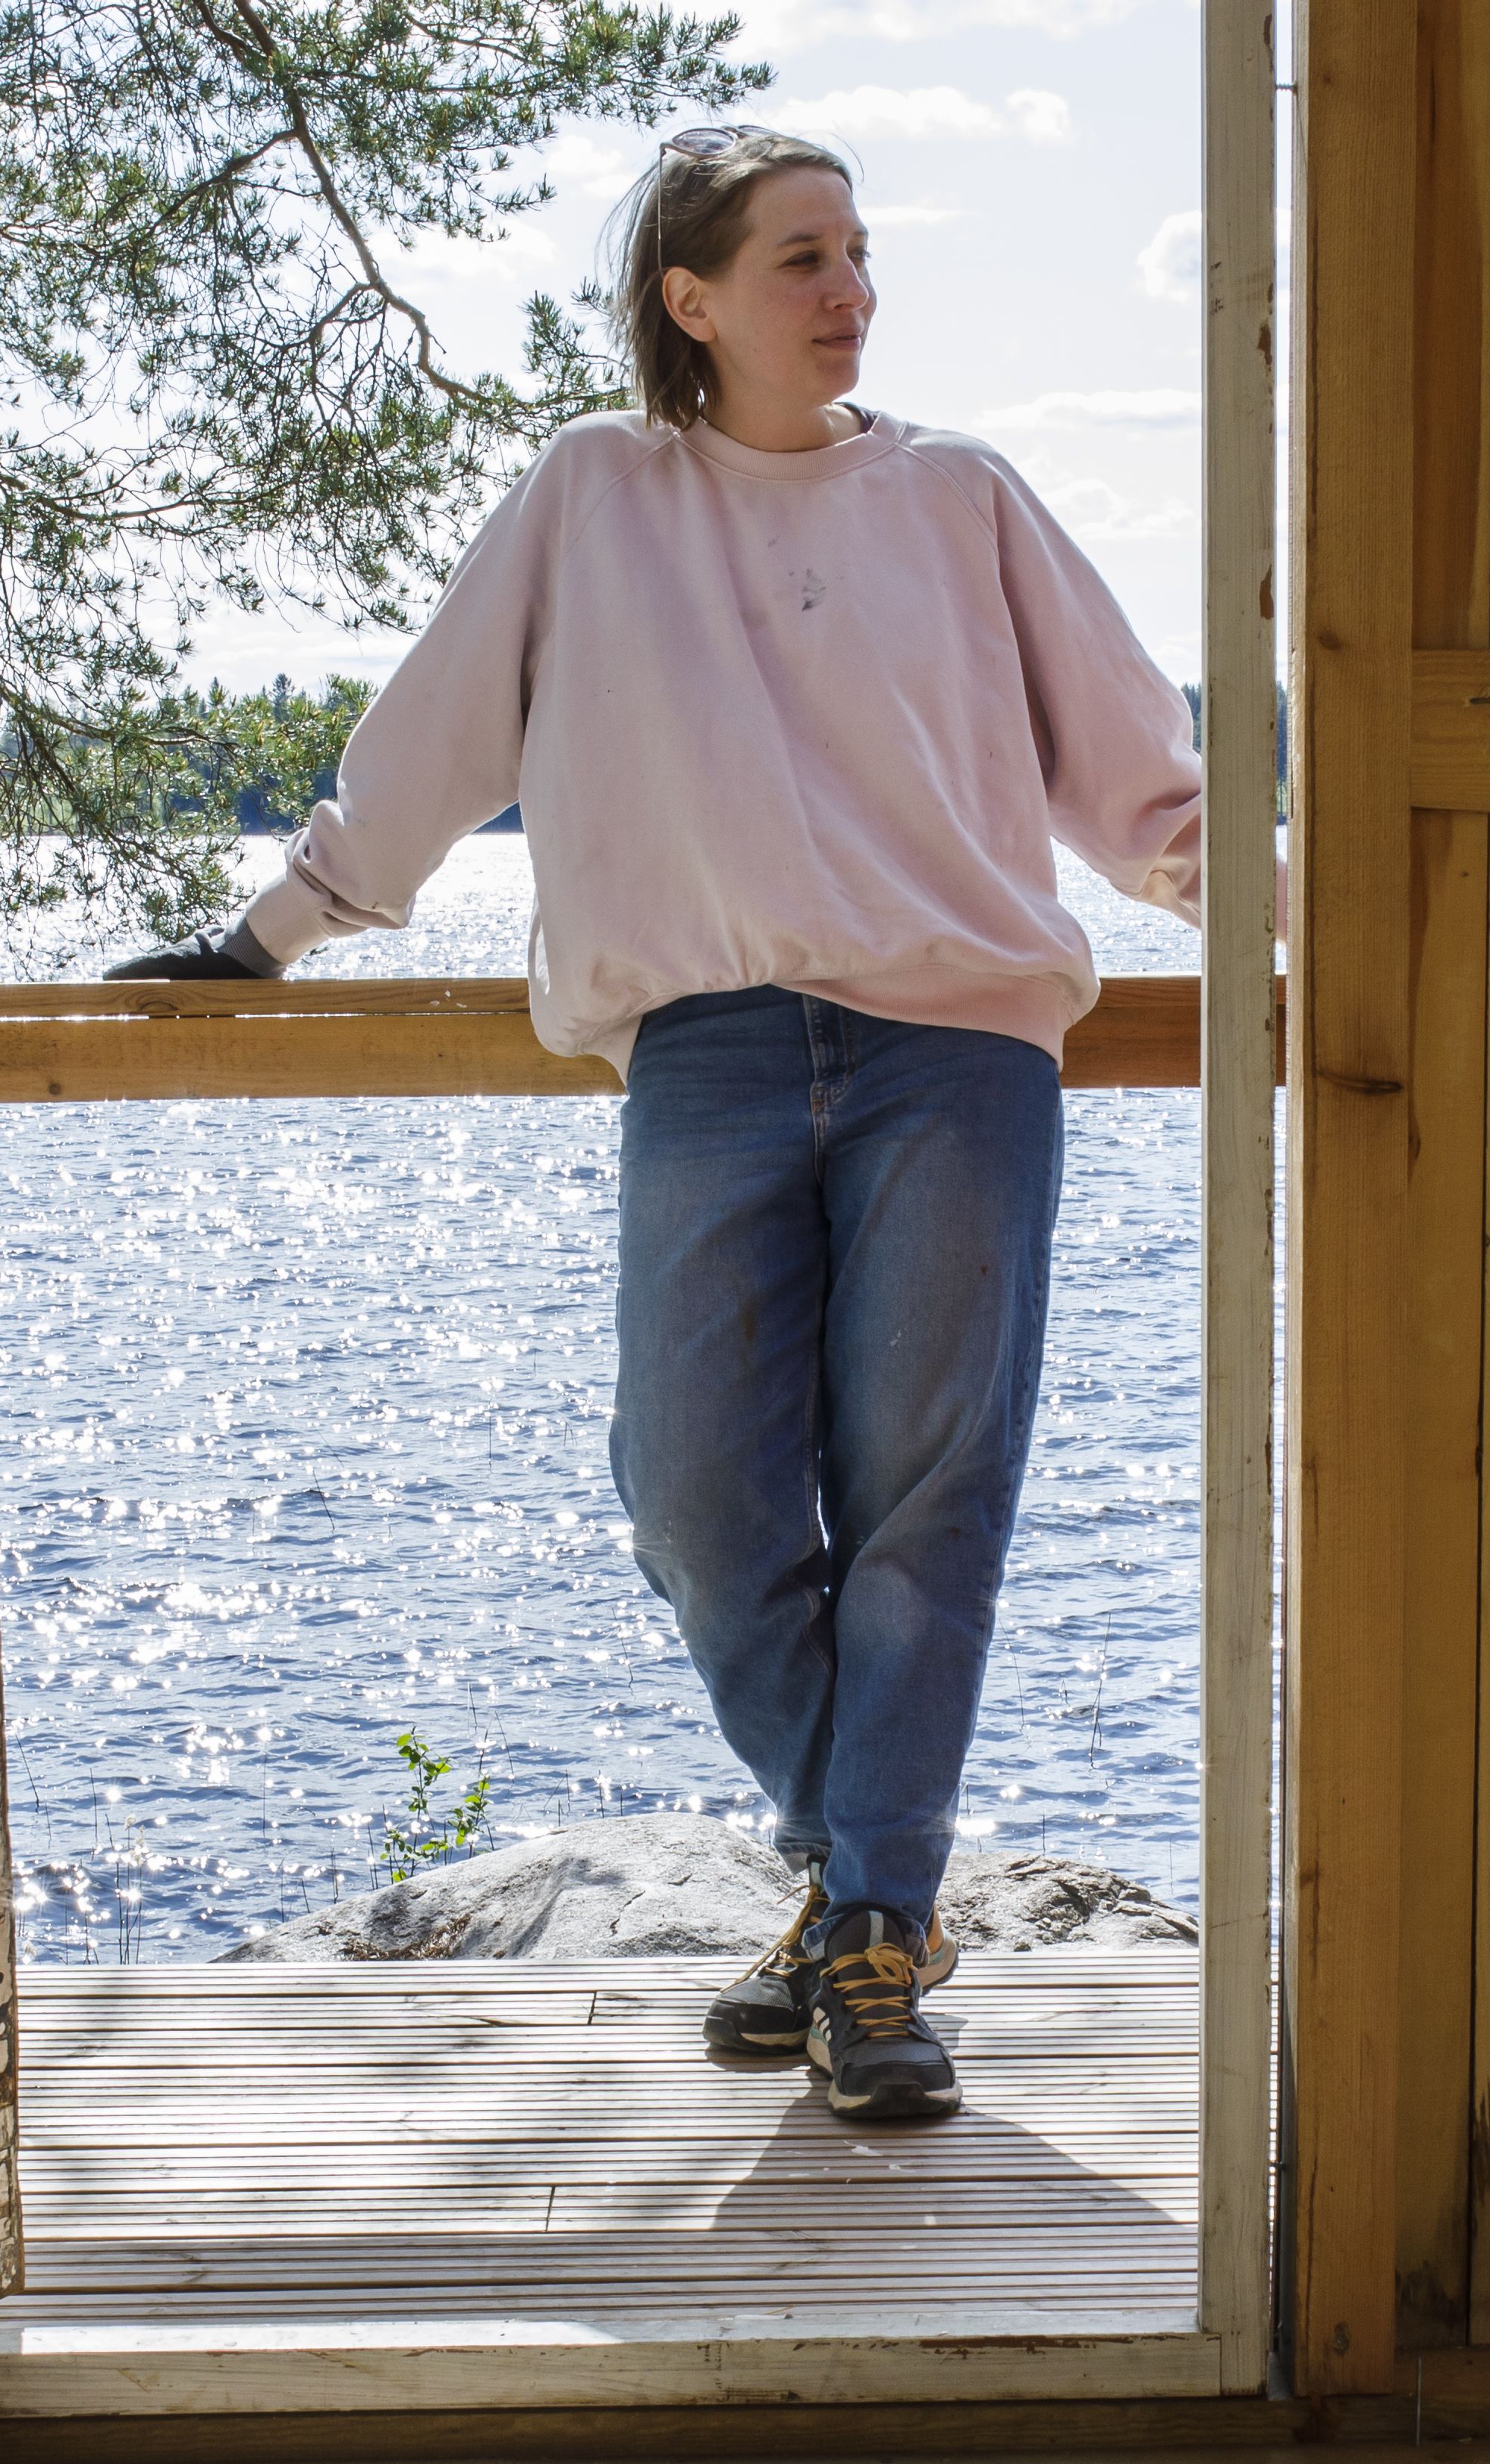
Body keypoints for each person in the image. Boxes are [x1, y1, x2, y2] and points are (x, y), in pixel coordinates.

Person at [108, 126, 1206, 2126]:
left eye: (860, 252)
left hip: (956, 1051)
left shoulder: (961, 496)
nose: (848, 288)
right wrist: (270, 936)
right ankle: (873, 1886)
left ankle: (865, 1936)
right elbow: (437, 735)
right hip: (705, 1046)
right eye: (800, 257)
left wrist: (1315, 904)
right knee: (695, 1501)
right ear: (690, 301)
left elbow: (1148, 792)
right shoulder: (596, 498)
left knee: (922, 1502)